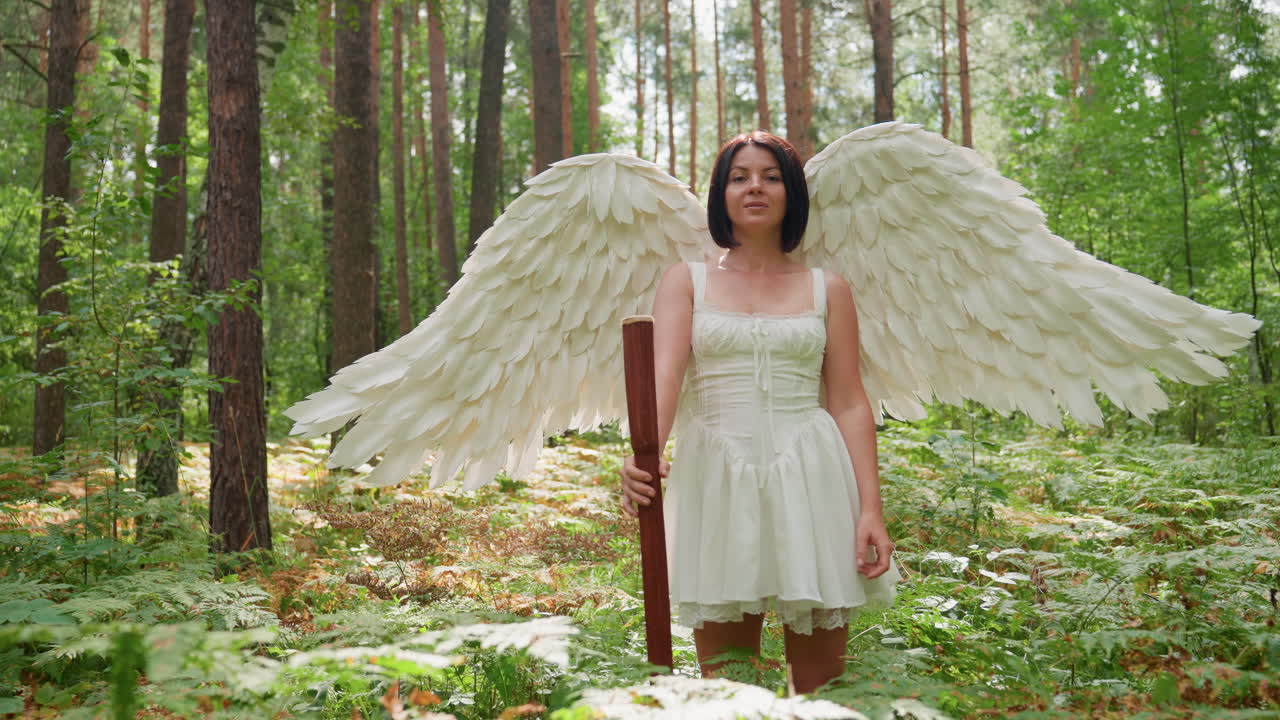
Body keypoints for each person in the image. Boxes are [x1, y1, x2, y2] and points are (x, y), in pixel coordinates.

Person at [620, 131, 899, 694]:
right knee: (726, 683)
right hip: (717, 474)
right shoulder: (687, 281)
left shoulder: (829, 289)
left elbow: (847, 400)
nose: (755, 187)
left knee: (819, 685)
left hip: (813, 475)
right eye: (739, 176)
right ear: (720, 193)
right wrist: (639, 451)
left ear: (791, 193)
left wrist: (871, 508)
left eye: (771, 176)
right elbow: (664, 377)